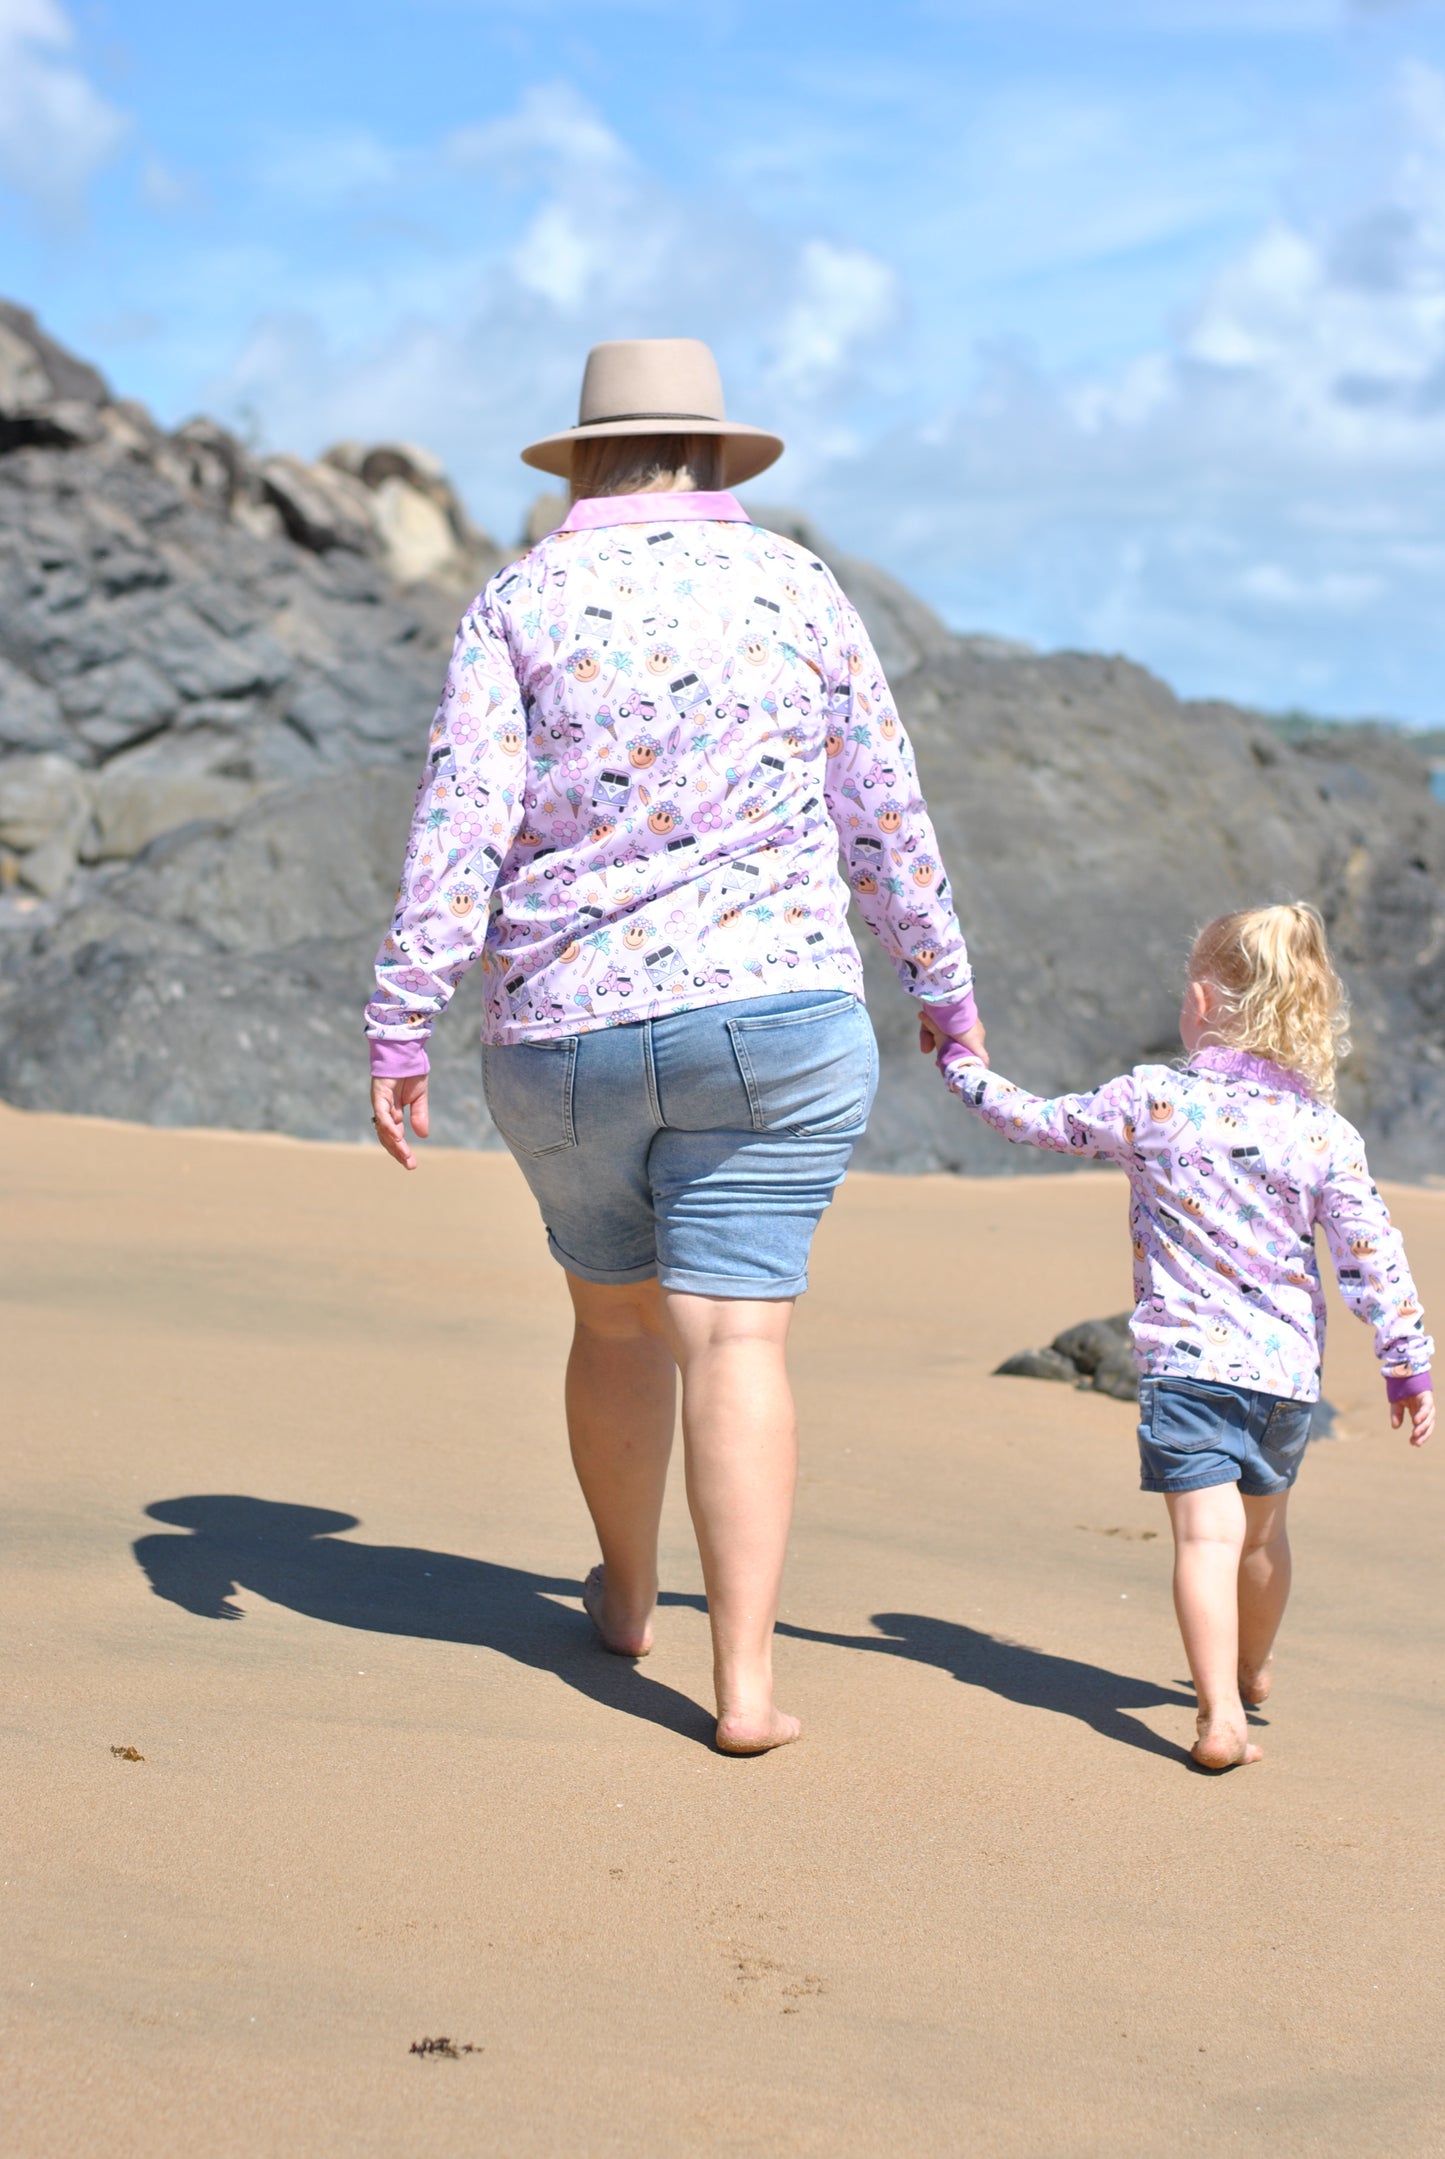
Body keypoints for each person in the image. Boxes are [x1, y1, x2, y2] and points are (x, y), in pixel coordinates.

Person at [365, 338, 984, 1754]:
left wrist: (403, 1015)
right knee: (737, 1333)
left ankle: (631, 1596)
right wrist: (942, 988)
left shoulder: (519, 598)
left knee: (615, 1316)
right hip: (776, 1019)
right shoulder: (797, 586)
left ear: (581, 456)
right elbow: (886, 815)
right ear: (712, 454)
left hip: (566, 1030)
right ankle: (747, 1683)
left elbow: (458, 830)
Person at [937, 902, 1433, 1772]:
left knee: (1202, 1540)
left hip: (1184, 1364)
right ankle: (1252, 1667)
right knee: (1262, 1536)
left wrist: (962, 1066)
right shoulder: (1324, 1133)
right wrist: (1407, 1366)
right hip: (1283, 1378)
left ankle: (1217, 1718)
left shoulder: (1154, 1100)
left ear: (1202, 1002)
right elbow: (1371, 1256)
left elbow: (1038, 1121)